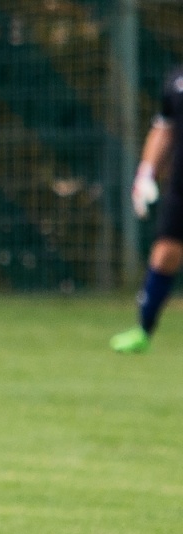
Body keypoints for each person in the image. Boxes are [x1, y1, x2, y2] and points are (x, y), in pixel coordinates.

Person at [113, 67, 183, 354]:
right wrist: (146, 173)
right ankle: (143, 329)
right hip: (181, 188)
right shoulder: (176, 81)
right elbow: (163, 129)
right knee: (165, 254)